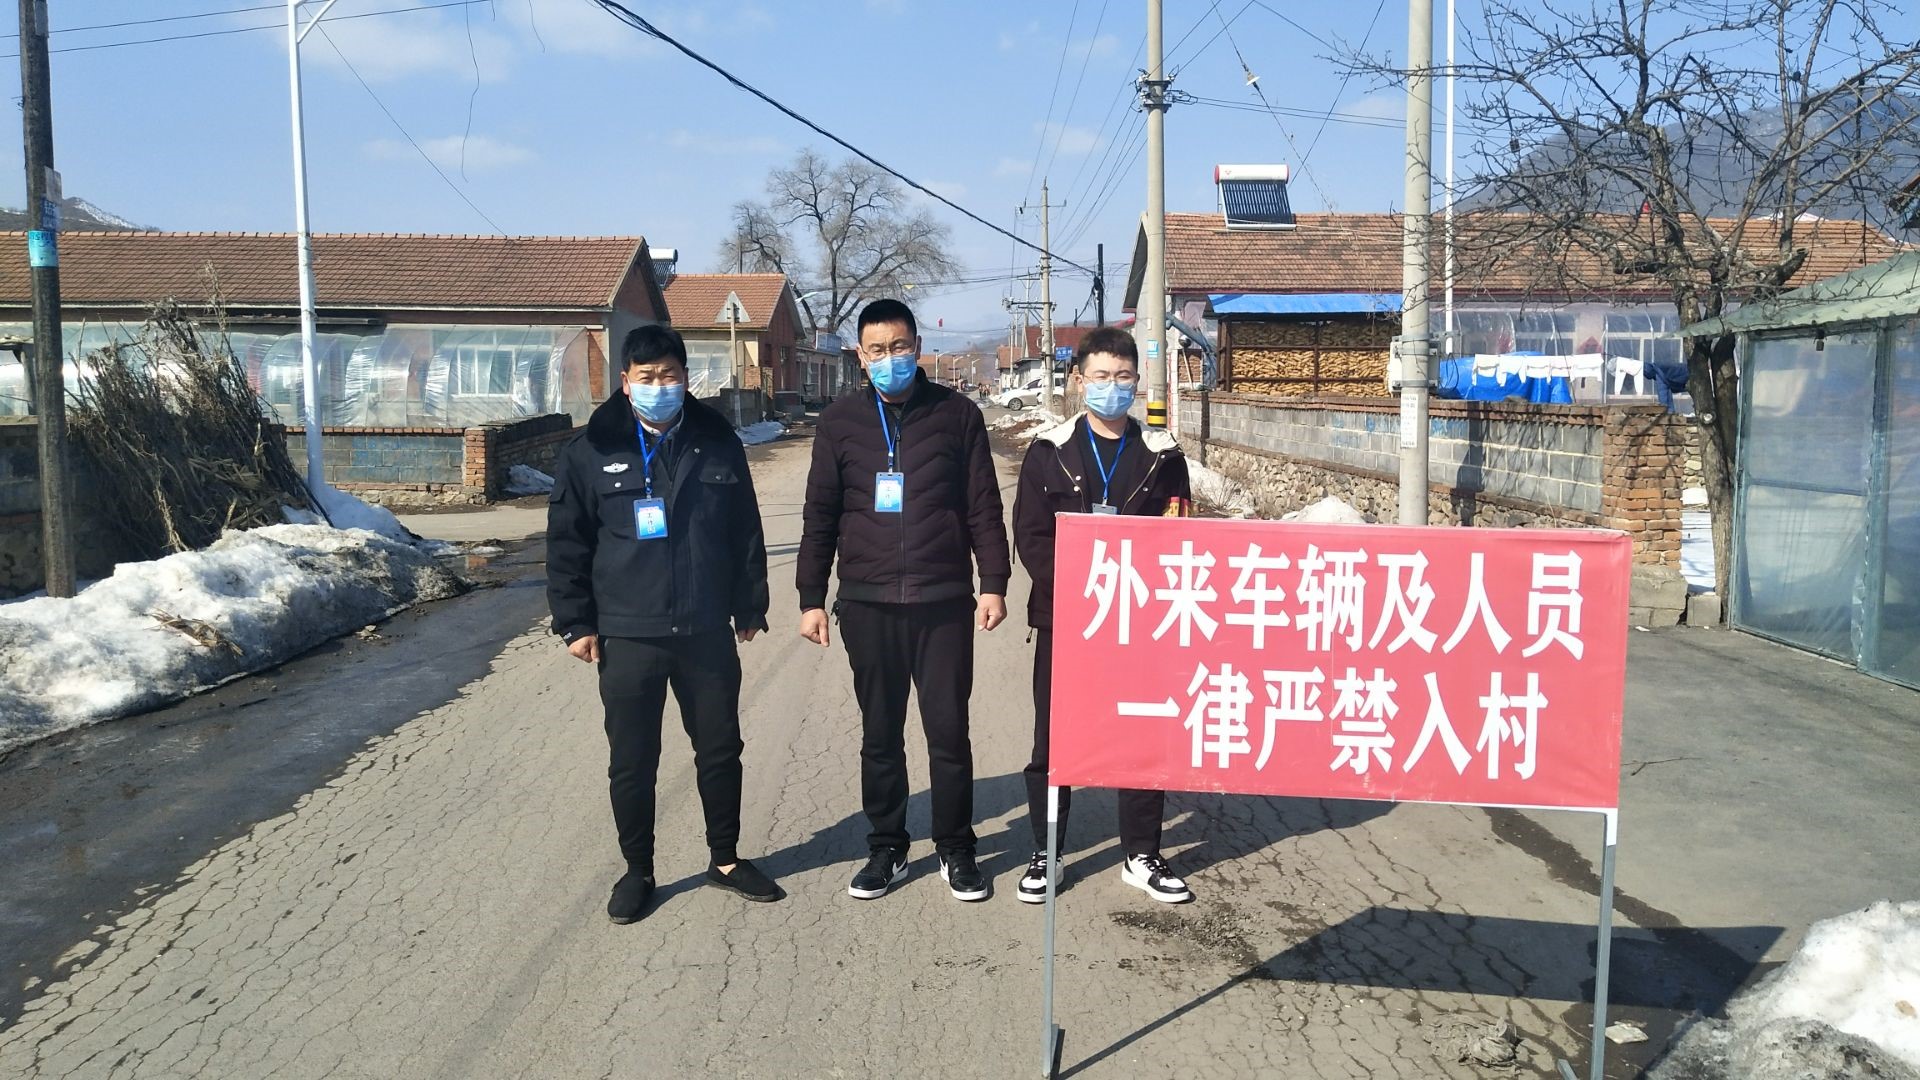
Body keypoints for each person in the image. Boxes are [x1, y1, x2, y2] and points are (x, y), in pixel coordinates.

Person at [547, 324, 782, 924]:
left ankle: (725, 859)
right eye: (647, 377)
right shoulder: (590, 450)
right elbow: (568, 543)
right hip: (629, 633)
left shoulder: (717, 441)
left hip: (705, 628)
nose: (659, 386)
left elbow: (744, 529)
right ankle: (639, 871)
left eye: (669, 375)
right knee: (633, 760)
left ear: (685, 378)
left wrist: (750, 603)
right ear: (626, 383)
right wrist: (575, 622)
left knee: (720, 749)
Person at [797, 298, 1012, 902]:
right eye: (877, 350)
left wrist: (993, 582)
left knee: (948, 731)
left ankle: (956, 846)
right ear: (860, 356)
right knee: (880, 735)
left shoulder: (956, 414)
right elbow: (820, 513)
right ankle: (887, 847)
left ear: (916, 347)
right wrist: (811, 596)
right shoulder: (839, 421)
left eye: (898, 347)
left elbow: (982, 505)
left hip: (942, 600)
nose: (889, 358)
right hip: (867, 603)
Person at [1010, 326, 1195, 905]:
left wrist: (1138, 598)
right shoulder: (1049, 452)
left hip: (1142, 623)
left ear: (1137, 381)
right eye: (1100, 376)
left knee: (1143, 734)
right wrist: (1085, 594)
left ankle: (1142, 853)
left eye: (1122, 377)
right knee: (1054, 740)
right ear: (1078, 380)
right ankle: (1047, 851)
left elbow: (1179, 534)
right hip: (1066, 620)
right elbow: (1031, 536)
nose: (1111, 387)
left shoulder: (1163, 455)